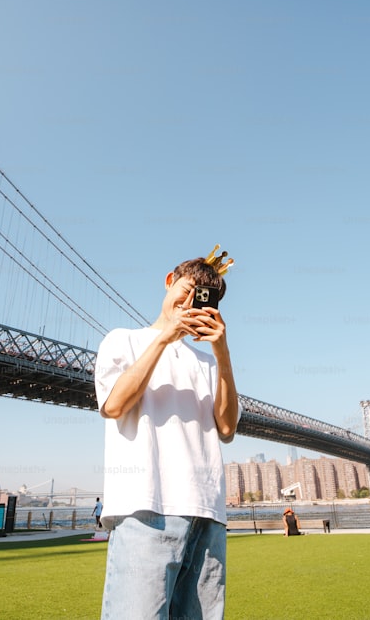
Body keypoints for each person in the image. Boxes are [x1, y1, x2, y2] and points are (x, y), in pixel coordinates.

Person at [95, 247, 240, 620]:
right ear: (169, 281)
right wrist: (165, 337)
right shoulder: (122, 340)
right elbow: (114, 406)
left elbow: (226, 428)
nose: (191, 302)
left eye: (203, 298)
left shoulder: (209, 362)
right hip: (146, 509)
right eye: (187, 289)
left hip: (207, 513)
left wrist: (222, 352)